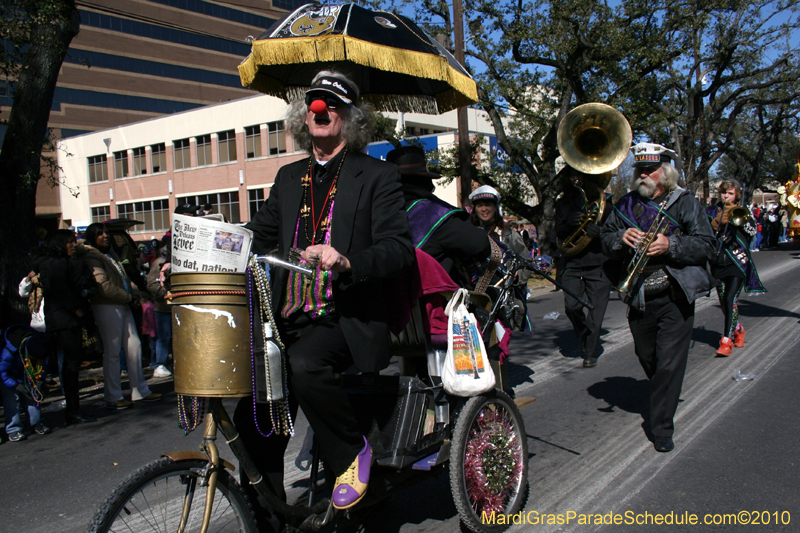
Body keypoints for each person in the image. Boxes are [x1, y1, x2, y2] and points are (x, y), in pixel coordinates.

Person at [240, 69, 413, 514]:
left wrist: (347, 260)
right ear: (303, 115)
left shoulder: (376, 175)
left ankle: (350, 455)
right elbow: (253, 237)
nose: (321, 109)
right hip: (287, 319)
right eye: (315, 101)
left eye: (333, 104)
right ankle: (268, 518)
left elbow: (398, 250)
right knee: (254, 416)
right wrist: (195, 254)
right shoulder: (286, 178)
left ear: (350, 119)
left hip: (344, 318)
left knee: (306, 364)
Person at [601, 142, 715, 453]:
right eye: (639, 170)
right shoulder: (625, 204)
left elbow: (706, 244)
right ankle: (665, 391)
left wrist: (670, 245)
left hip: (675, 295)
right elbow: (604, 238)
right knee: (648, 355)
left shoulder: (684, 202)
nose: (643, 175)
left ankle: (662, 426)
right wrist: (619, 239)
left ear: (665, 172)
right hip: (639, 295)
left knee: (668, 364)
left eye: (650, 170)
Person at [77, 223, 162, 409]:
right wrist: (129, 297)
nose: (105, 236)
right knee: (113, 352)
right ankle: (113, 395)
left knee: (135, 347)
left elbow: (125, 279)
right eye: (100, 234)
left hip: (122, 304)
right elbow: (104, 286)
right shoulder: (92, 256)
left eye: (106, 232)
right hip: (106, 305)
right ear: (93, 237)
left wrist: (136, 294)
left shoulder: (110, 254)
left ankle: (140, 390)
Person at [386, 145, 491, 287]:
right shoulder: (432, 213)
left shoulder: (381, 213)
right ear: (423, 181)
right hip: (429, 303)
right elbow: (480, 245)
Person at [30, 229, 98, 425]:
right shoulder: (57, 264)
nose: (74, 245)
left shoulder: (55, 263)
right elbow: (60, 292)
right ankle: (73, 410)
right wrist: (78, 312)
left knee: (70, 366)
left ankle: (74, 409)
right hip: (65, 320)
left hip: (64, 319)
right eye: (70, 242)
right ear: (61, 244)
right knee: (70, 366)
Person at [554, 161, 613, 368]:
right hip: (572, 261)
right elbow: (558, 234)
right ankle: (583, 332)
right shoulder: (562, 204)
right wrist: (569, 223)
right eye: (573, 176)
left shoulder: (605, 202)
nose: (577, 180)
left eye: (581, 176)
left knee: (596, 313)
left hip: (598, 263)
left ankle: (590, 351)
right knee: (572, 306)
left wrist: (601, 233)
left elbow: (616, 233)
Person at [705, 180, 765, 356]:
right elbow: (704, 233)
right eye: (724, 193)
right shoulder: (710, 212)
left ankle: (726, 341)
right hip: (717, 263)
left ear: (737, 195)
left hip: (737, 263)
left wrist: (740, 219)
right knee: (726, 305)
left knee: (731, 299)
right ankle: (738, 329)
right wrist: (717, 222)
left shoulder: (743, 211)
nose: (726, 196)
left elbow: (753, 231)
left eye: (730, 193)